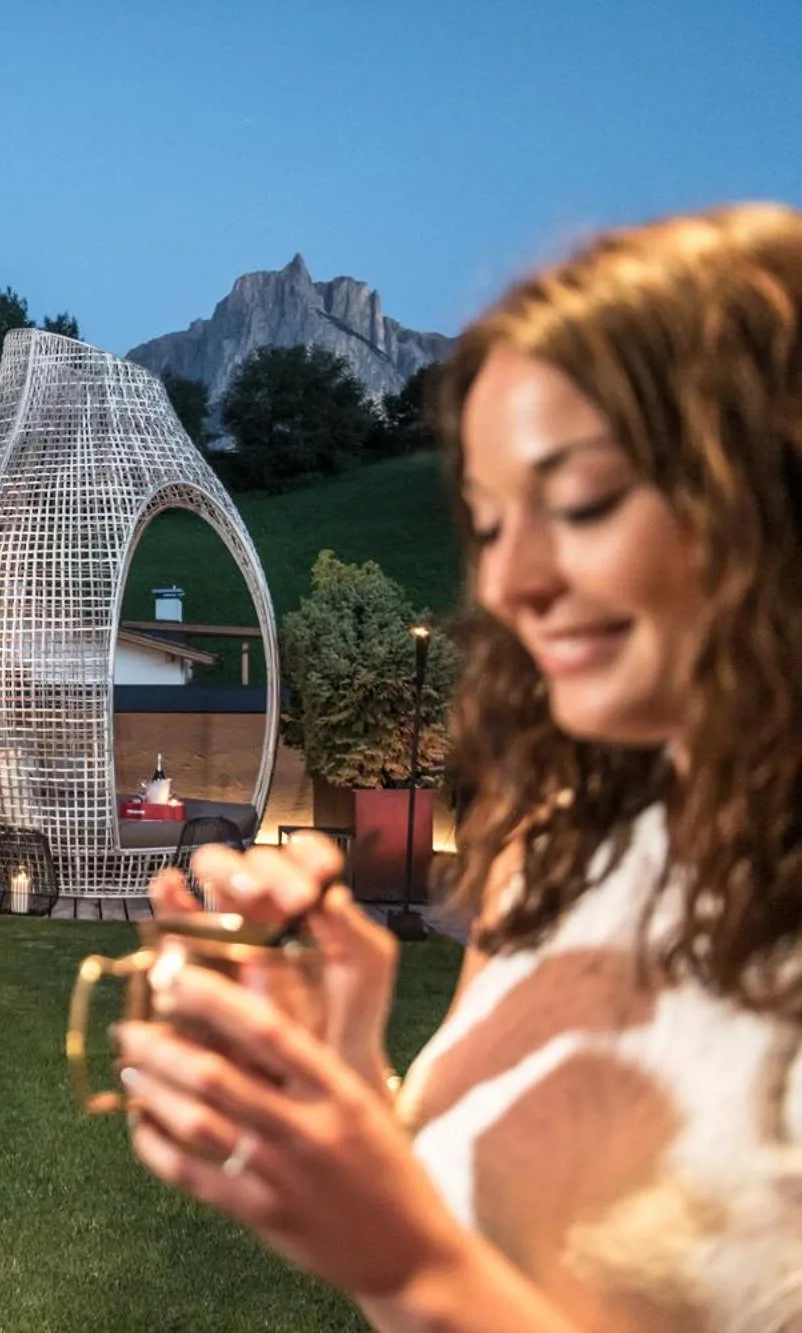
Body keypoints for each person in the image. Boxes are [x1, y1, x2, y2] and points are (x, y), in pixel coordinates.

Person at [114, 203, 802, 1332]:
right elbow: (487, 1242)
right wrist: (350, 1090)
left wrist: (408, 1267)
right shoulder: (557, 850)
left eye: (578, 502)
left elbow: (440, 1273)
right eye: (486, 522)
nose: (509, 581)